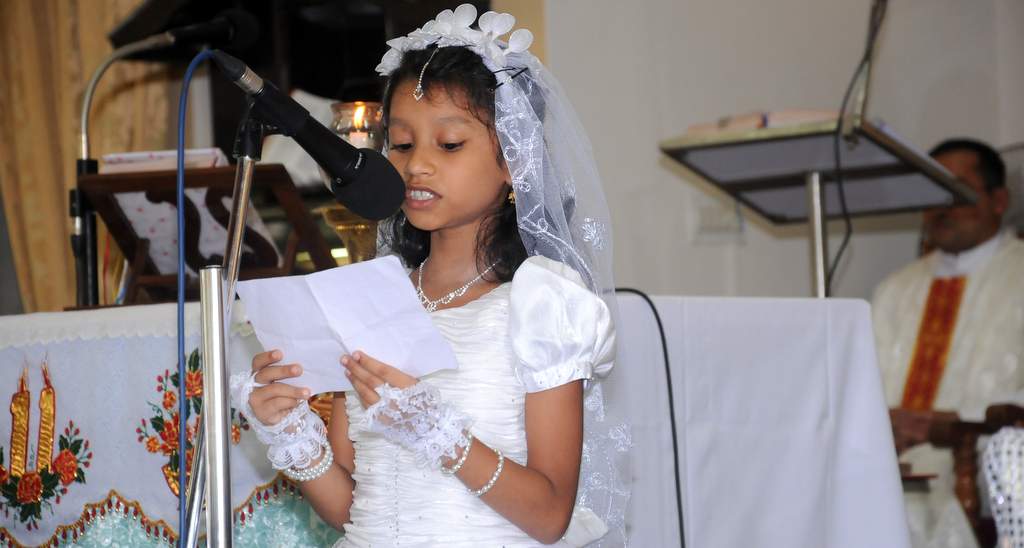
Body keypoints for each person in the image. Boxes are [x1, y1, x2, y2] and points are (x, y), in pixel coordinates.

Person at [231, 5, 628, 546]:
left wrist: (440, 435)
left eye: (449, 144)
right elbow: (353, 509)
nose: (416, 164)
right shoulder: (369, 300)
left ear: (513, 160)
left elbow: (550, 514)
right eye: (401, 144)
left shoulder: (542, 303)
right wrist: (294, 437)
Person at [872, 138, 1024, 547]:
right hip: (892, 466)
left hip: (984, 464)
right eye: (932, 191)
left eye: (957, 190)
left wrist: (950, 425)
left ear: (999, 200)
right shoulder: (894, 289)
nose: (942, 205)